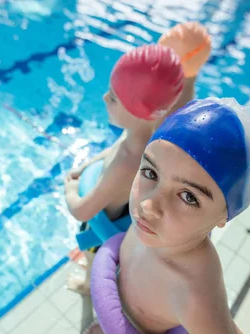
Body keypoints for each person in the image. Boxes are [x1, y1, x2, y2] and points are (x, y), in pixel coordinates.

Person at [67, 97, 250, 334]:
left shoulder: (192, 293)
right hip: (122, 304)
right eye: (150, 173)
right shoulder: (158, 228)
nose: (148, 206)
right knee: (112, 322)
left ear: (223, 216)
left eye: (189, 196)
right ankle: (106, 330)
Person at [65, 22, 212, 294]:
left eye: (113, 97)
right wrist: (87, 165)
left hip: (102, 229)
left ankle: (88, 286)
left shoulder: (128, 161)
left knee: (96, 262)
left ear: (139, 110)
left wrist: (70, 187)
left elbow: (83, 210)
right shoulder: (149, 133)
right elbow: (114, 148)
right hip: (121, 214)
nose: (104, 97)